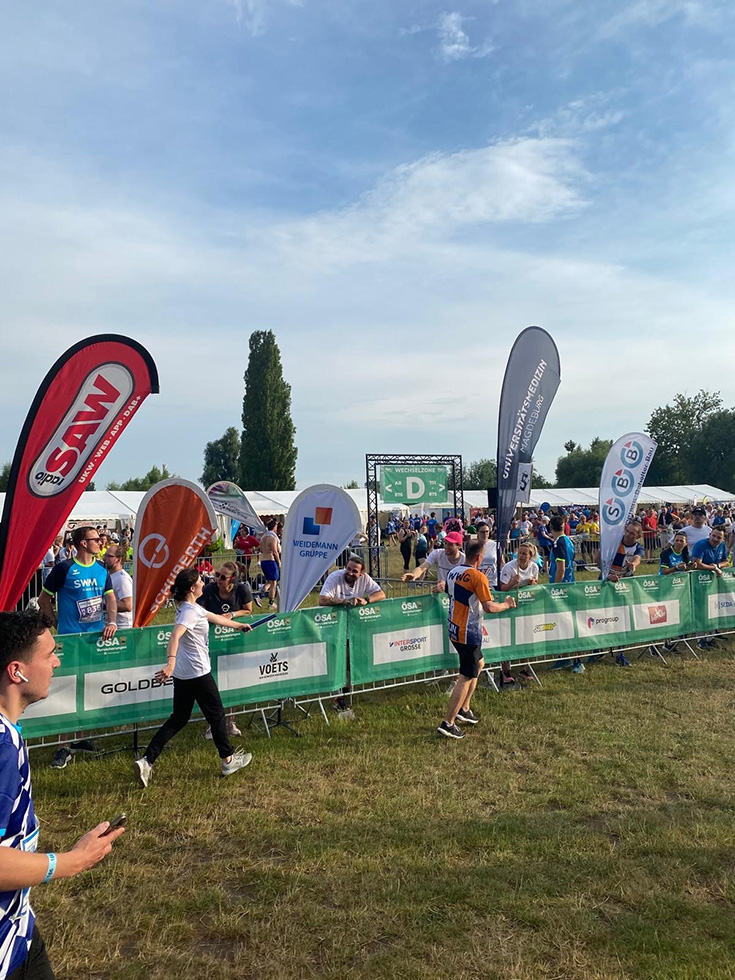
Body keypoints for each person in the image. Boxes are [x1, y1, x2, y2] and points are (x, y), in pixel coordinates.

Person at [0, 609, 125, 979]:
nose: (57, 661)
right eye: (49, 654)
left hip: (18, 926)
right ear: (17, 671)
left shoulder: (9, 732)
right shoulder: (2, 745)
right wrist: (70, 861)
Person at [134, 568, 254, 788]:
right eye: (200, 581)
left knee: (179, 719)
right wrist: (170, 663)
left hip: (184, 674)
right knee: (217, 716)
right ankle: (228, 760)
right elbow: (175, 636)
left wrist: (239, 625)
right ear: (192, 588)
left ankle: (147, 761)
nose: (204, 583)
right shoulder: (189, 612)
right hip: (198, 673)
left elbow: (214, 618)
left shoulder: (190, 607)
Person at [438, 540, 516, 739]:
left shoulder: (453, 572)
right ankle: (448, 722)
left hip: (455, 627)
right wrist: (507, 604)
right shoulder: (478, 576)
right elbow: (489, 607)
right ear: (480, 557)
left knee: (479, 663)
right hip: (468, 632)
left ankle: (464, 708)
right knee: (465, 676)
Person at [38, 526, 118, 640]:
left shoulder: (102, 568)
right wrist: (57, 624)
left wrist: (112, 622)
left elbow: (110, 598)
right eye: (96, 540)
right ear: (84, 543)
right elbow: (43, 600)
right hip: (71, 637)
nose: (100, 543)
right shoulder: (64, 568)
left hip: (97, 635)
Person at [498, 541, 539, 688]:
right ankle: (505, 670)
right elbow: (502, 588)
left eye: (524, 554)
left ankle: (523, 669)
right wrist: (512, 583)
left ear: (531, 556)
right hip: (509, 606)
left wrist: (532, 583)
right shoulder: (509, 567)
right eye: (519, 553)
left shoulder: (534, 567)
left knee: (525, 636)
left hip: (525, 607)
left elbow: (536, 585)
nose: (521, 556)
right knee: (507, 637)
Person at [547, 516, 583, 673]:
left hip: (563, 589)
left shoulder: (558, 543)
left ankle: (577, 660)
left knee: (568, 624)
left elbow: (561, 568)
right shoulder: (568, 540)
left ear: (551, 527)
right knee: (564, 624)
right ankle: (565, 657)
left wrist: (555, 588)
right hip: (570, 584)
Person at [319, 554, 386, 606]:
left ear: (361, 573)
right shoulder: (334, 577)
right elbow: (322, 600)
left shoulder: (365, 578)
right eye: (348, 569)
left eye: (355, 571)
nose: (350, 573)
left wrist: (366, 600)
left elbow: (381, 594)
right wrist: (345, 601)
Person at [103, 545, 133, 628]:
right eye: (105, 555)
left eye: (109, 556)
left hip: (122, 626)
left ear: (118, 559)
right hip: (109, 625)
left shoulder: (122, 579)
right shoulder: (109, 575)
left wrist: (103, 605)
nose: (104, 559)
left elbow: (128, 605)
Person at [259, 520, 281, 608]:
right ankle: (271, 603)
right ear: (274, 527)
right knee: (274, 583)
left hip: (263, 561)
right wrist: (279, 562)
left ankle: (260, 595)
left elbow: (261, 550)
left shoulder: (263, 538)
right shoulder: (273, 538)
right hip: (270, 561)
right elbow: (275, 551)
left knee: (269, 582)